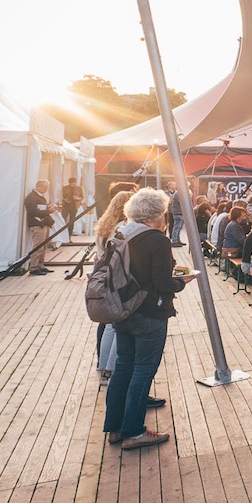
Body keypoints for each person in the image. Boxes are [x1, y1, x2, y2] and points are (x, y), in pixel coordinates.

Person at [103, 188, 192, 450]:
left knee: (123, 367)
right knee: (143, 370)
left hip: (122, 309)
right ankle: (134, 431)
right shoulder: (157, 240)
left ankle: (115, 427)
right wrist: (182, 282)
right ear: (157, 213)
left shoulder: (121, 233)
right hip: (149, 312)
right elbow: (163, 282)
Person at [93, 190, 134, 377]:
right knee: (114, 326)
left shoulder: (105, 225)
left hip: (103, 276)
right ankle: (110, 368)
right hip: (116, 278)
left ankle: (104, 365)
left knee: (108, 325)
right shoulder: (121, 228)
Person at [24, 179, 58, 274]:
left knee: (43, 247)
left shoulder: (40, 197)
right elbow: (33, 212)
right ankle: (34, 267)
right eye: (44, 187)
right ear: (38, 186)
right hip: (37, 224)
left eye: (47, 188)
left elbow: (40, 209)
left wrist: (48, 207)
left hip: (43, 224)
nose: (46, 189)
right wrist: (48, 211)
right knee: (38, 247)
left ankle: (40, 265)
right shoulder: (31, 197)